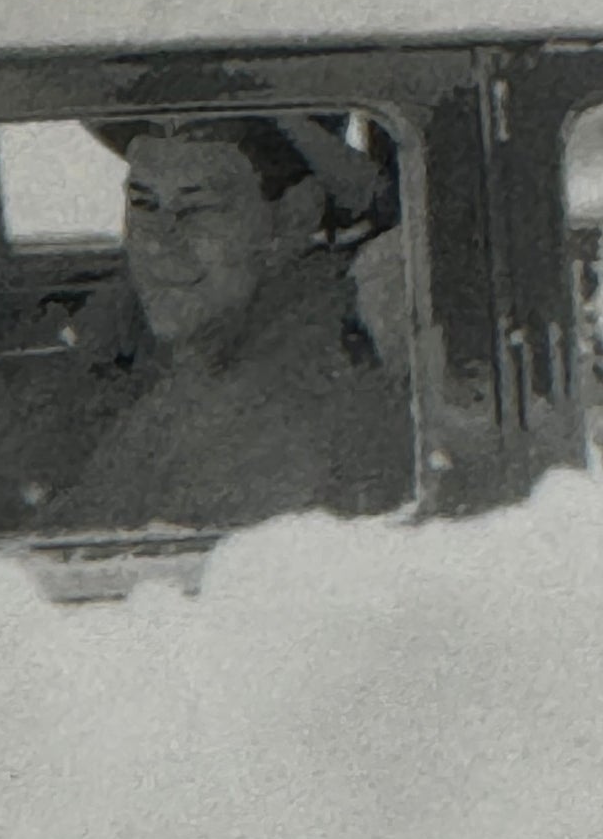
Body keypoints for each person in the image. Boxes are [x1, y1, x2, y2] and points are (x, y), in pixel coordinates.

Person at [37, 114, 415, 533]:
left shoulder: (296, 386)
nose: (158, 242)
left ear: (293, 218)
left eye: (197, 209)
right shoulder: (185, 339)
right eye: (145, 205)